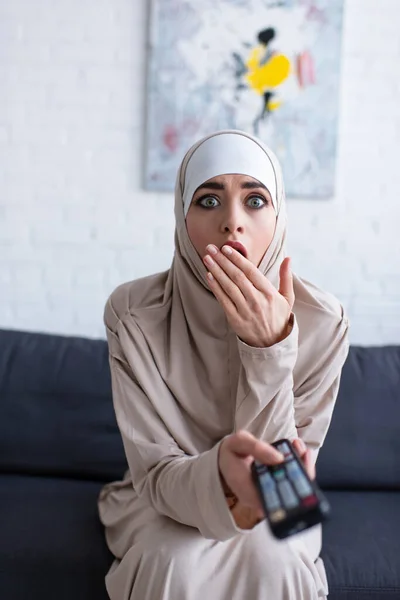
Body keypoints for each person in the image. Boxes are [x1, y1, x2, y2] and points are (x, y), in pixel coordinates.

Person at [98, 130, 349, 600]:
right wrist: (217, 478)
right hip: (163, 498)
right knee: (172, 560)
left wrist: (270, 346)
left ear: (278, 219)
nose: (233, 223)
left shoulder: (323, 321)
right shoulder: (133, 314)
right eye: (209, 201)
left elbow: (283, 476)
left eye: (255, 200)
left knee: (274, 561)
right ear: (181, 216)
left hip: (276, 503)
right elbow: (154, 472)